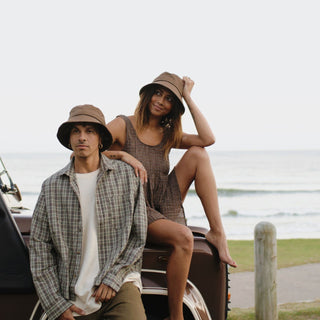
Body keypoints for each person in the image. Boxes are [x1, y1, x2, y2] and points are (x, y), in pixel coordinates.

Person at [104, 72, 237, 320]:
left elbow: (208, 139)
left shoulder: (167, 134)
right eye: (158, 93)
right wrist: (122, 155)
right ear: (147, 94)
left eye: (169, 99)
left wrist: (187, 95)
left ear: (173, 108)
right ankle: (177, 317)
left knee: (199, 153)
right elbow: (83, 153)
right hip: (137, 209)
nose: (161, 101)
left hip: (162, 200)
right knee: (184, 237)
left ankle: (217, 231)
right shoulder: (123, 124)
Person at [29, 105, 147, 320]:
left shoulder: (127, 177)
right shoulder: (52, 186)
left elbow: (137, 236)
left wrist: (113, 277)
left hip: (119, 284)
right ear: (69, 139)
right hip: (72, 296)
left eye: (89, 131)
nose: (82, 137)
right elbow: (39, 248)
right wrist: (55, 304)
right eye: (76, 131)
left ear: (100, 139)